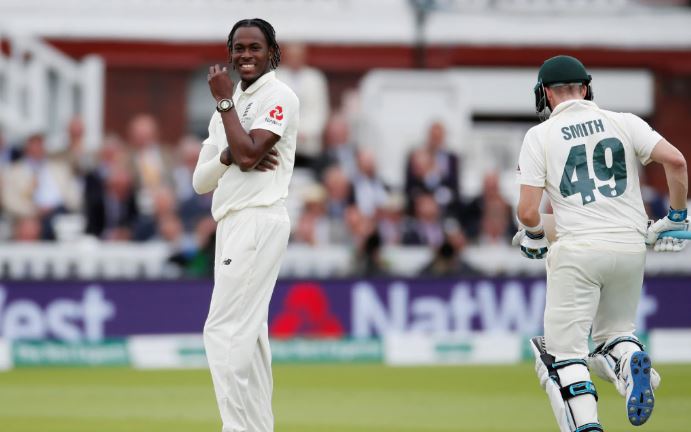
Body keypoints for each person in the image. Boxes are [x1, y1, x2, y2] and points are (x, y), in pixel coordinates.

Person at [514, 55, 688, 432]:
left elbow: (528, 212)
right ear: (586, 87)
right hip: (629, 249)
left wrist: (533, 236)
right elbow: (676, 161)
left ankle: (587, 426)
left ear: (544, 94)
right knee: (615, 337)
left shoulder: (539, 136)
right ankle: (629, 362)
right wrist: (676, 218)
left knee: (561, 356)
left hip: (577, 253)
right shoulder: (623, 122)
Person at [192, 18, 299, 432]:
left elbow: (251, 153)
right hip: (232, 220)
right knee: (251, 337)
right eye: (239, 48)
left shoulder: (279, 96)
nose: (246, 56)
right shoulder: (234, 103)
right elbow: (200, 181)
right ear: (229, 53)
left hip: (258, 216)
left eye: (255, 47)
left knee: (222, 331)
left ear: (272, 51)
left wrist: (224, 107)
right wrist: (226, 156)